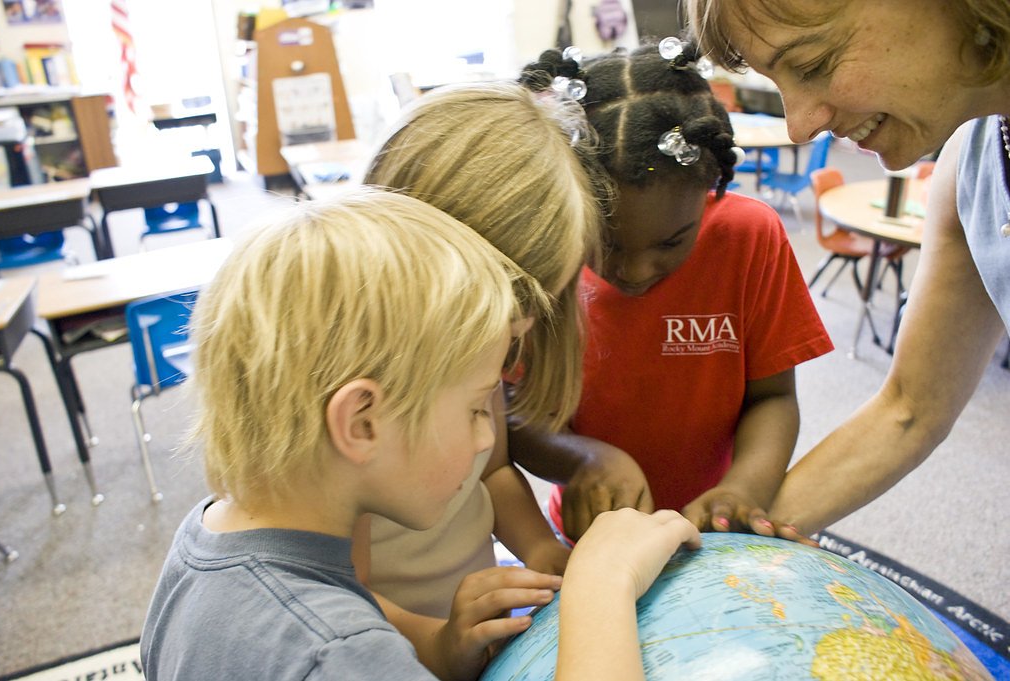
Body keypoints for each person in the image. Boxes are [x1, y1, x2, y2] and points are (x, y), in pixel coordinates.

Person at [139, 188, 701, 681]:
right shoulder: (341, 656)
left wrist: (437, 650)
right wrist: (601, 584)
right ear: (362, 423)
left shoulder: (206, 543)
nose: (487, 440)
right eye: (476, 408)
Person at [684, 0, 1010, 539]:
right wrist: (725, 544)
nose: (799, 126)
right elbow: (909, 409)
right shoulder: (973, 161)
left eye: (813, 64)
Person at [510, 40, 834, 542]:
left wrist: (745, 487)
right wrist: (583, 459)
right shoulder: (545, 259)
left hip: (719, 529)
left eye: (672, 242)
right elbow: (514, 415)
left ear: (708, 192)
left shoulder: (750, 237)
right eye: (607, 244)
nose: (636, 271)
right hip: (597, 531)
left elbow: (773, 398)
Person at [353, 80, 608, 672]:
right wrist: (440, 642)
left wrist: (542, 549)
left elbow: (490, 472)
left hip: (467, 636)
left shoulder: (469, 365)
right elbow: (337, 600)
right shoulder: (355, 416)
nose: (503, 366)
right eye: (508, 331)